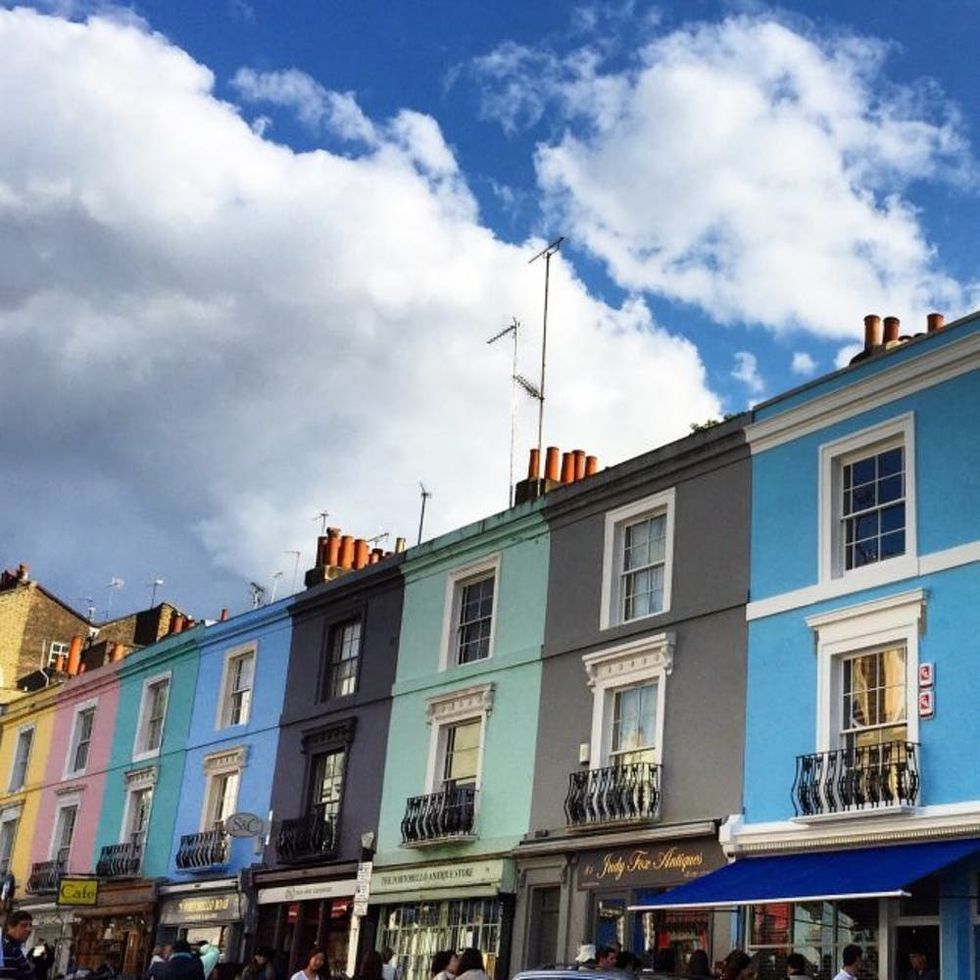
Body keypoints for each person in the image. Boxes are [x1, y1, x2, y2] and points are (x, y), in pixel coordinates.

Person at [1, 912, 36, 980]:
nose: (29, 929)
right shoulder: (7, 950)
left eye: (30, 925)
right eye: (24, 925)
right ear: (10, 926)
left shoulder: (14, 948)